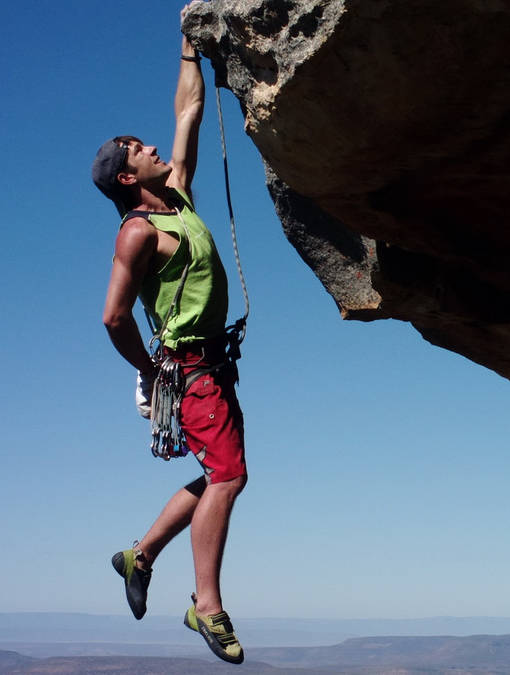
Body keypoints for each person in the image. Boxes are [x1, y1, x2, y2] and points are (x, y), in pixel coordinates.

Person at [91, 7, 246, 665]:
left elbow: (186, 114)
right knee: (229, 476)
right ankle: (205, 605)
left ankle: (140, 553)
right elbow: (113, 316)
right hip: (190, 369)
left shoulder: (176, 199)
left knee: (216, 471)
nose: (151, 148)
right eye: (138, 151)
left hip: (213, 365)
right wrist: (153, 369)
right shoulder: (138, 232)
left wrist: (190, 47)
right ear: (127, 178)